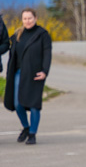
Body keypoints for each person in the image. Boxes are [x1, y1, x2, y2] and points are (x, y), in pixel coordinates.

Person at [4, 8, 52, 145]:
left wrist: (44, 71)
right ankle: (26, 127)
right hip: (18, 73)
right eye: (25, 18)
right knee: (18, 104)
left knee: (34, 105)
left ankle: (32, 134)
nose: (27, 21)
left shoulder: (42, 34)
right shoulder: (18, 34)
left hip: (35, 74)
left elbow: (47, 54)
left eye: (30, 18)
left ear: (35, 18)